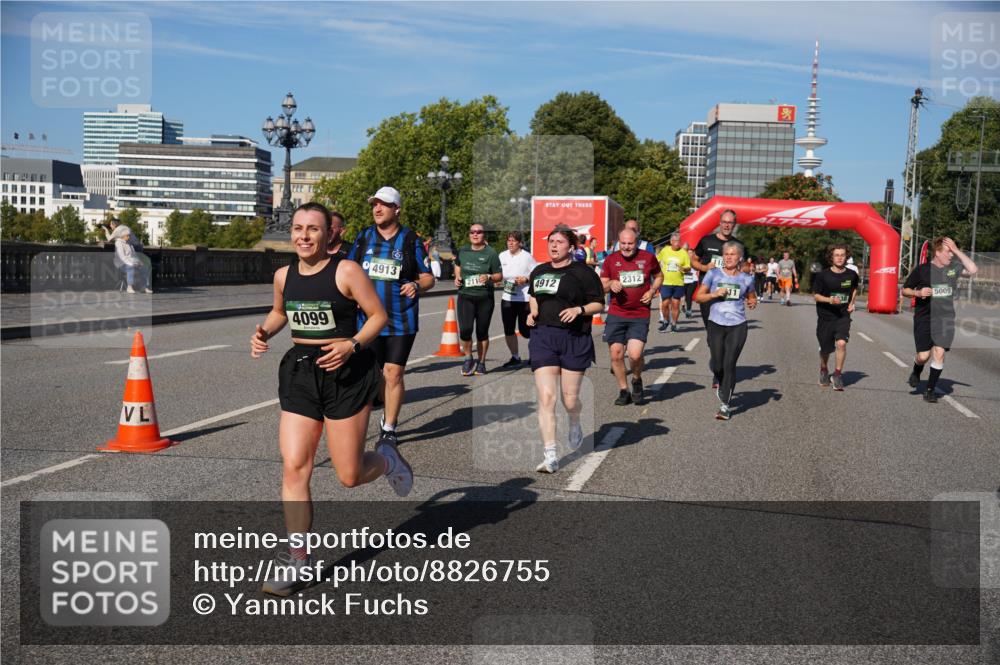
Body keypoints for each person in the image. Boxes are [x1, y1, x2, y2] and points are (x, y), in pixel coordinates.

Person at [250, 202, 412, 596]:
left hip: (347, 372)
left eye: (313, 229)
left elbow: (377, 317)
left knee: (349, 475)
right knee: (294, 468)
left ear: (329, 234)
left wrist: (352, 344)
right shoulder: (283, 275)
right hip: (301, 373)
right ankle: (298, 561)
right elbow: (279, 313)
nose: (304, 236)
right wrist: (263, 332)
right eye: (298, 228)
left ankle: (387, 458)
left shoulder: (346, 271)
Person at [349, 186, 435, 442]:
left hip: (401, 320)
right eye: (374, 204)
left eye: (383, 204)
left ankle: (389, 428)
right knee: (370, 376)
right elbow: (348, 270)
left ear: (396, 209)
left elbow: (429, 277)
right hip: (368, 320)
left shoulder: (410, 240)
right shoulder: (364, 237)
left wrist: (417, 285)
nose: (377, 209)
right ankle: (366, 417)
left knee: (393, 373)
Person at [527, 225, 605, 473]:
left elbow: (598, 304)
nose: (553, 245)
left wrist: (579, 310)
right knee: (547, 398)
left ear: (571, 246)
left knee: (569, 400)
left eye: (559, 242)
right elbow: (533, 295)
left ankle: (574, 421)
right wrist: (533, 311)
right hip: (543, 337)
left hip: (574, 338)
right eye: (551, 241)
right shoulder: (539, 271)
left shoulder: (583, 273)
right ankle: (550, 455)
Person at [901, 237, 978, 403]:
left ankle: (929, 390)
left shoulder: (953, 268)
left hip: (945, 318)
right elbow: (905, 290)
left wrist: (957, 250)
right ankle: (916, 370)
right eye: (948, 252)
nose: (951, 256)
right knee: (923, 356)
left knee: (939, 352)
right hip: (924, 317)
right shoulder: (922, 270)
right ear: (937, 252)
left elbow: (972, 270)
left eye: (952, 252)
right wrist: (918, 293)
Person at [695, 241, 757, 420]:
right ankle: (719, 377)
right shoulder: (713, 274)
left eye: (733, 254)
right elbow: (699, 297)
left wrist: (752, 302)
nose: (729, 257)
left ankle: (725, 405)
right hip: (716, 323)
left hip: (738, 325)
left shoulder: (746, 278)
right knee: (717, 364)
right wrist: (715, 294)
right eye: (726, 254)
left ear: (740, 258)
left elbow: (751, 297)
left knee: (729, 363)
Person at [601, 228, 662, 405]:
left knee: (635, 355)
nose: (627, 247)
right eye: (623, 243)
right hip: (617, 312)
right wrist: (611, 283)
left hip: (639, 313)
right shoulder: (611, 260)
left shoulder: (648, 257)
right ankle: (623, 390)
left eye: (630, 243)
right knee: (616, 355)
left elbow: (659, 276)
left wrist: (652, 290)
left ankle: (636, 379)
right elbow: (602, 286)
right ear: (618, 242)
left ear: (637, 242)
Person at [454, 223, 502, 375]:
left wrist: (488, 276)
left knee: (482, 332)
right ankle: (468, 358)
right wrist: (457, 277)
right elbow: (457, 265)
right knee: (465, 330)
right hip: (465, 296)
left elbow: (499, 276)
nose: (475, 234)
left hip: (484, 298)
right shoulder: (463, 250)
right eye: (472, 232)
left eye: (479, 232)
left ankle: (481, 363)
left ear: (484, 235)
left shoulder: (491, 253)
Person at [812, 244, 859, 391]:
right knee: (825, 349)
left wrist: (852, 303)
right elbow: (816, 296)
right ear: (831, 257)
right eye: (836, 255)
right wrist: (830, 300)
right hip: (825, 316)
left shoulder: (852, 275)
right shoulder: (823, 275)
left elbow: (854, 289)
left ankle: (837, 374)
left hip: (842, 316)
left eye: (842, 255)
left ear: (846, 257)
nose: (839, 257)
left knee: (841, 343)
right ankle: (824, 369)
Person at [691, 209, 746, 331]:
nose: (727, 225)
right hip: (708, 291)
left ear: (734, 224)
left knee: (729, 327)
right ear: (719, 223)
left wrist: (741, 268)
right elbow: (693, 261)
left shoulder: (739, 245)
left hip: (729, 290)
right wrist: (705, 267)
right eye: (724, 222)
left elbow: (744, 267)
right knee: (711, 328)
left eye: (730, 222)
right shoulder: (706, 241)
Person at [499, 230, 538, 367]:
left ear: (520, 243)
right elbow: (498, 274)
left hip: (525, 298)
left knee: (527, 331)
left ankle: (535, 356)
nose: (510, 243)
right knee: (508, 329)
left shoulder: (527, 257)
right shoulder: (502, 256)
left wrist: (526, 279)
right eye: (509, 240)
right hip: (507, 297)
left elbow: (536, 273)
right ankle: (515, 357)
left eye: (513, 241)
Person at [655, 231, 690, 333]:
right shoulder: (665, 250)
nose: (676, 243)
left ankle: (674, 324)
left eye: (678, 241)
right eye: (674, 241)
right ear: (670, 241)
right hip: (666, 282)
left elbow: (688, 267)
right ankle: (666, 321)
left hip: (678, 282)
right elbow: (656, 260)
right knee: (665, 304)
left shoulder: (683, 253)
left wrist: (683, 268)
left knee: (675, 304)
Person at [113, 229, 153, 294]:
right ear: (122, 236)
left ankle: (144, 287)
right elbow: (122, 257)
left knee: (144, 268)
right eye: (127, 236)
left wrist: (138, 262)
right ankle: (129, 287)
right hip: (121, 263)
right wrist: (131, 263)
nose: (129, 237)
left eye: (129, 236)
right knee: (130, 267)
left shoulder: (129, 243)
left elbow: (134, 255)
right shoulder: (118, 243)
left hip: (131, 262)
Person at [682, 244, 698, 318]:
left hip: (693, 280)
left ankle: (689, 311)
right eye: (688, 253)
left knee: (689, 295)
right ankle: (684, 306)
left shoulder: (696, 260)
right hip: (684, 280)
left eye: (691, 253)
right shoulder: (683, 260)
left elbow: (699, 268)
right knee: (685, 295)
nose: (690, 254)